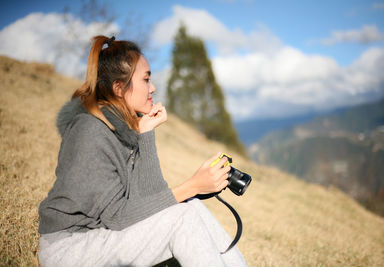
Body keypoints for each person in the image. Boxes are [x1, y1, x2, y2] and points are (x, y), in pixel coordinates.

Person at [38, 35, 247, 267]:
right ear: (119, 88)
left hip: (101, 236)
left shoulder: (122, 130)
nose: (153, 88)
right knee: (183, 217)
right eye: (146, 79)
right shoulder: (89, 131)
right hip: (70, 248)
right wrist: (192, 186)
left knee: (191, 206)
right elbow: (117, 216)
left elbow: (151, 202)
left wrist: (145, 134)